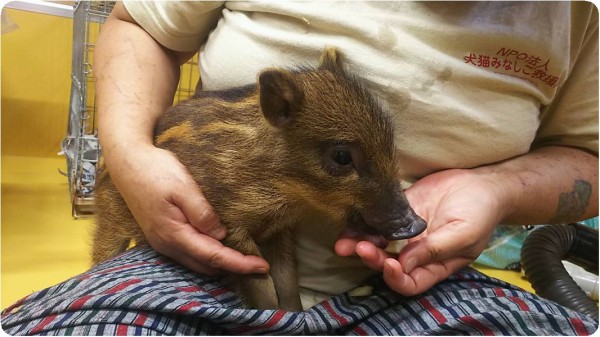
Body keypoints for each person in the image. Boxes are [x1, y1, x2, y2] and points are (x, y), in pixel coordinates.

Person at [2, 1, 598, 335]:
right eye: (344, 161)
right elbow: (138, 26)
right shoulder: (257, 162)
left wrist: (493, 189)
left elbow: (588, 157)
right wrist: (130, 157)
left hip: (419, 285)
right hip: (178, 263)